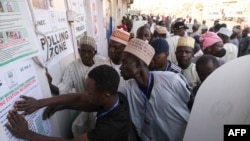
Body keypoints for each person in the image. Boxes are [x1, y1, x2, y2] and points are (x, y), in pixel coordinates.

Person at [7, 65, 131, 141]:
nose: (86, 94)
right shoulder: (116, 98)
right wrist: (41, 103)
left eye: (90, 93)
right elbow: (79, 98)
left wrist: (27, 134)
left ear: (106, 94)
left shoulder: (110, 129)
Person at [119, 38, 191, 141]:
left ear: (138, 65)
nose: (121, 67)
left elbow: (191, 106)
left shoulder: (172, 80)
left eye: (125, 63)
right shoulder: (128, 89)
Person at [46, 36, 108, 136]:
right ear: (79, 51)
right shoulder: (72, 67)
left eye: (89, 51)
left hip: (103, 107)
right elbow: (63, 88)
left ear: (94, 52)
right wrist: (49, 85)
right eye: (83, 51)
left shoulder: (103, 62)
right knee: (80, 130)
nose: (86, 55)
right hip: (85, 107)